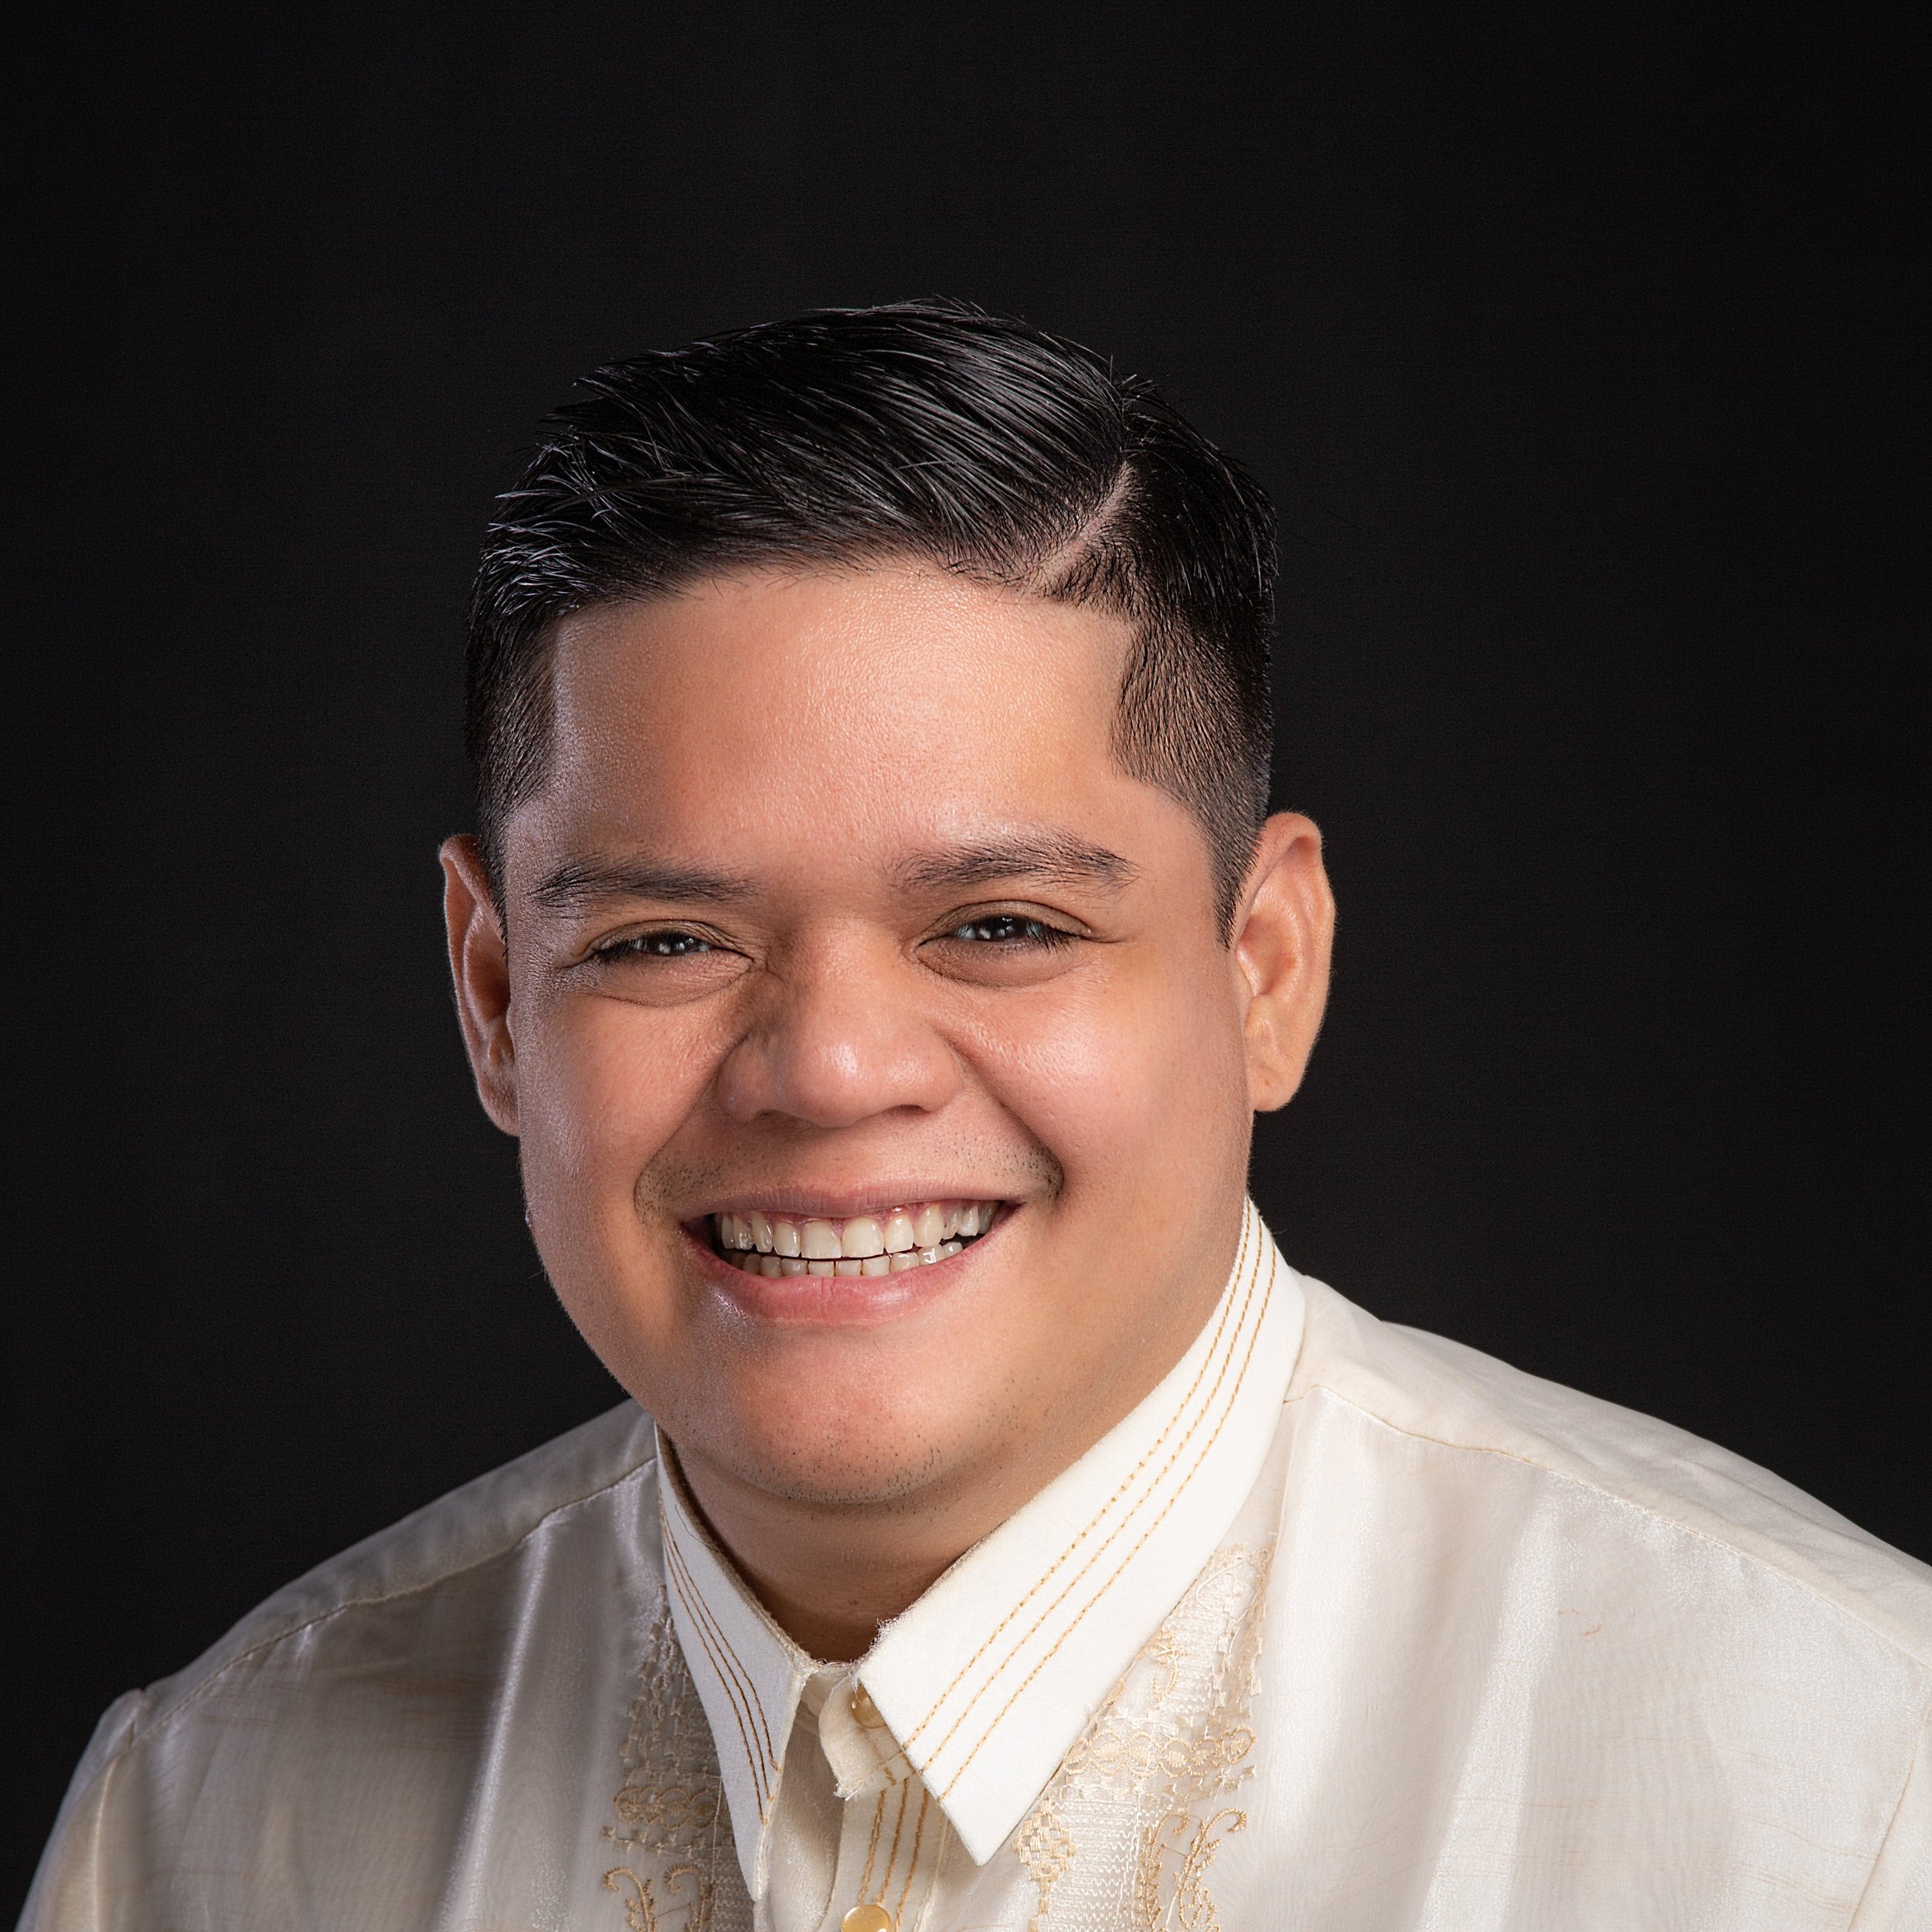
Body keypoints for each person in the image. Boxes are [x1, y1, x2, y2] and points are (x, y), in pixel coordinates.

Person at [24, 302, 1930, 1932]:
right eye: (669, 934)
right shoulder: (204, 1829)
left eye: (1002, 924)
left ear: (1261, 967)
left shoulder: (1843, 1792)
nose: (833, 1068)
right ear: (497, 995)